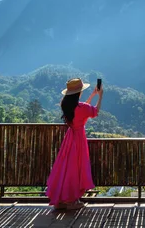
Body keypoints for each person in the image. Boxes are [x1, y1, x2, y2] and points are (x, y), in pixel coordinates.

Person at [46, 78, 103, 210]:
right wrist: (100, 96)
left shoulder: (67, 106)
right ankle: (71, 201)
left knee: (65, 167)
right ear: (79, 93)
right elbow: (94, 111)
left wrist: (93, 95)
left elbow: (83, 109)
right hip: (78, 140)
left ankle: (61, 199)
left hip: (69, 138)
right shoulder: (81, 108)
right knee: (75, 168)